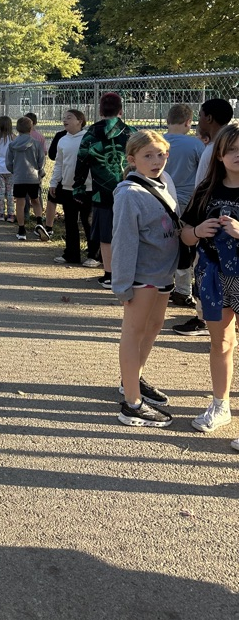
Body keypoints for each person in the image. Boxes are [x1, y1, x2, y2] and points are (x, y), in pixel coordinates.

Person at [113, 130, 180, 427]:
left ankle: (133, 379)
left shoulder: (165, 182)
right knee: (134, 331)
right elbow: (124, 241)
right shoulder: (129, 193)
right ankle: (131, 403)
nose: (156, 161)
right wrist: (123, 284)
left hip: (164, 272)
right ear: (132, 159)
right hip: (142, 276)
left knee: (154, 325)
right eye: (148, 156)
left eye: (161, 154)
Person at [180, 122, 239, 449]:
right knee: (221, 342)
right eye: (231, 149)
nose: (237, 155)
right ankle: (220, 405)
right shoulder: (206, 191)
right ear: (218, 154)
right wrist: (198, 230)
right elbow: (185, 235)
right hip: (213, 276)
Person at [173, 98, 235, 337]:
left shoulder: (214, 148)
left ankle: (202, 319)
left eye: (200, 115)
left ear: (208, 118)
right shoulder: (213, 147)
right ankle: (204, 317)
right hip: (207, 234)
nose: (198, 121)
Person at [73, 92, 136, 290]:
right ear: (121, 110)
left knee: (105, 232)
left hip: (101, 190)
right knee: (129, 231)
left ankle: (109, 275)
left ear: (100, 111)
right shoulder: (131, 133)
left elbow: (82, 161)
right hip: (129, 188)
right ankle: (126, 274)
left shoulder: (91, 134)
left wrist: (79, 186)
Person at [163, 104, 205, 307]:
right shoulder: (195, 145)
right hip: (187, 200)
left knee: (164, 241)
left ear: (167, 120)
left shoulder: (158, 142)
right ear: (188, 122)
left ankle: (164, 284)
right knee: (185, 245)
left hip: (161, 197)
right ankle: (183, 289)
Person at [49, 110, 97, 266]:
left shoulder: (89, 138)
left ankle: (93, 255)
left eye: (69, 117)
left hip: (86, 188)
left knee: (88, 222)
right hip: (67, 187)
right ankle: (71, 254)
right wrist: (54, 182)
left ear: (80, 121)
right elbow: (59, 164)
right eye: (63, 118)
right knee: (70, 222)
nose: (65, 120)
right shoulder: (62, 140)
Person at [6, 116, 47, 242]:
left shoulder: (13, 144)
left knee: (20, 202)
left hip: (19, 177)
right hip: (33, 177)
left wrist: (14, 170)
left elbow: (8, 162)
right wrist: (39, 171)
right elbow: (42, 160)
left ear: (17, 129)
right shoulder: (36, 143)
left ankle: (21, 229)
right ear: (31, 128)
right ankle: (39, 222)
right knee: (35, 200)